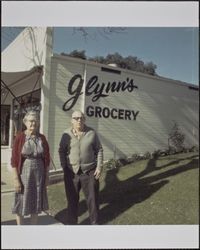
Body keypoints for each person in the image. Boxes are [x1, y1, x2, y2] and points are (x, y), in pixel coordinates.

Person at [58, 110, 103, 225]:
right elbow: (61, 151)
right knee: (72, 200)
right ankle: (72, 225)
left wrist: (99, 167)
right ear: (71, 120)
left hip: (89, 171)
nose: (79, 120)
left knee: (92, 200)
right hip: (71, 172)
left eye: (81, 118)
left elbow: (99, 150)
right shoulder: (66, 134)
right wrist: (64, 166)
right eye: (76, 118)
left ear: (84, 120)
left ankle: (95, 224)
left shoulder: (91, 133)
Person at [11, 110, 50, 225]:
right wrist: (16, 179)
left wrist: (47, 176)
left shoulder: (42, 138)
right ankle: (20, 229)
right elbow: (14, 160)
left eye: (35, 121)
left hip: (39, 174)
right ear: (25, 122)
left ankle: (33, 230)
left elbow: (46, 159)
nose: (33, 124)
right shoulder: (19, 137)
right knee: (21, 201)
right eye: (31, 121)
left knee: (36, 203)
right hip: (24, 174)